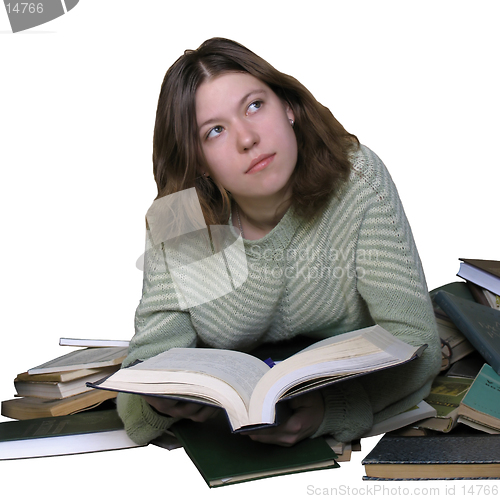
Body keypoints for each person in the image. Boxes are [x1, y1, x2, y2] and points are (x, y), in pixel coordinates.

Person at [117, 37, 441, 447]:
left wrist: (334, 409)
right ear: (197, 158)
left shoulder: (356, 180)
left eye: (254, 106)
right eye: (215, 131)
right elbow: (147, 363)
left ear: (288, 107)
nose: (247, 138)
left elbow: (418, 346)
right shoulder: (182, 218)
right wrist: (158, 403)